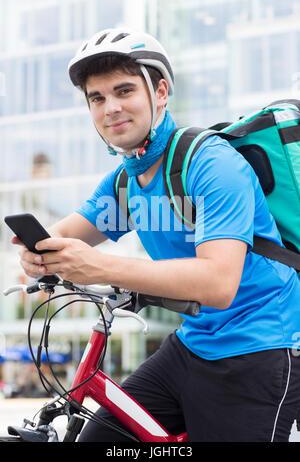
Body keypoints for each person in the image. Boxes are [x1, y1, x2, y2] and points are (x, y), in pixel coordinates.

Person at [12, 28, 300, 442]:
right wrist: (36, 253)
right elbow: (65, 234)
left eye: (124, 90)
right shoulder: (126, 181)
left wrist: (97, 266)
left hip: (261, 345)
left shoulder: (211, 164)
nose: (110, 108)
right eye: (97, 98)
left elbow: (218, 283)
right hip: (195, 343)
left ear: (160, 91)